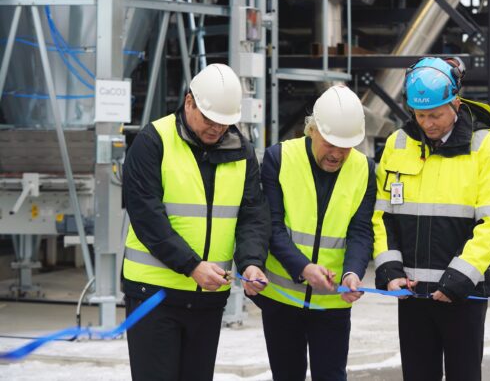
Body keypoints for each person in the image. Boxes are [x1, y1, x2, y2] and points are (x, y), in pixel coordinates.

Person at [121, 63, 270, 381]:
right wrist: (191, 265)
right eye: (209, 120)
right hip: (154, 294)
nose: (216, 129)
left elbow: (252, 215)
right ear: (189, 102)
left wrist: (252, 262)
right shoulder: (153, 142)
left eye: (225, 123)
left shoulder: (241, 151)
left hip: (207, 299)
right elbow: (148, 217)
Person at [373, 57, 490, 381]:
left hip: (463, 293)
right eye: (420, 115)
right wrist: (390, 269)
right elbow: (383, 215)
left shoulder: (486, 148)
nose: (428, 123)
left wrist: (460, 278)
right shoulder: (398, 144)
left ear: (456, 104)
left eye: (435, 114)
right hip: (412, 293)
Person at [253, 85, 376, 381]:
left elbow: (360, 231)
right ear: (312, 129)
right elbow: (272, 227)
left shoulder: (364, 169)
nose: (336, 154)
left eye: (345, 147)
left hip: (332, 301)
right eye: (330, 143)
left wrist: (352, 273)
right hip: (282, 298)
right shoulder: (279, 159)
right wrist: (303, 268)